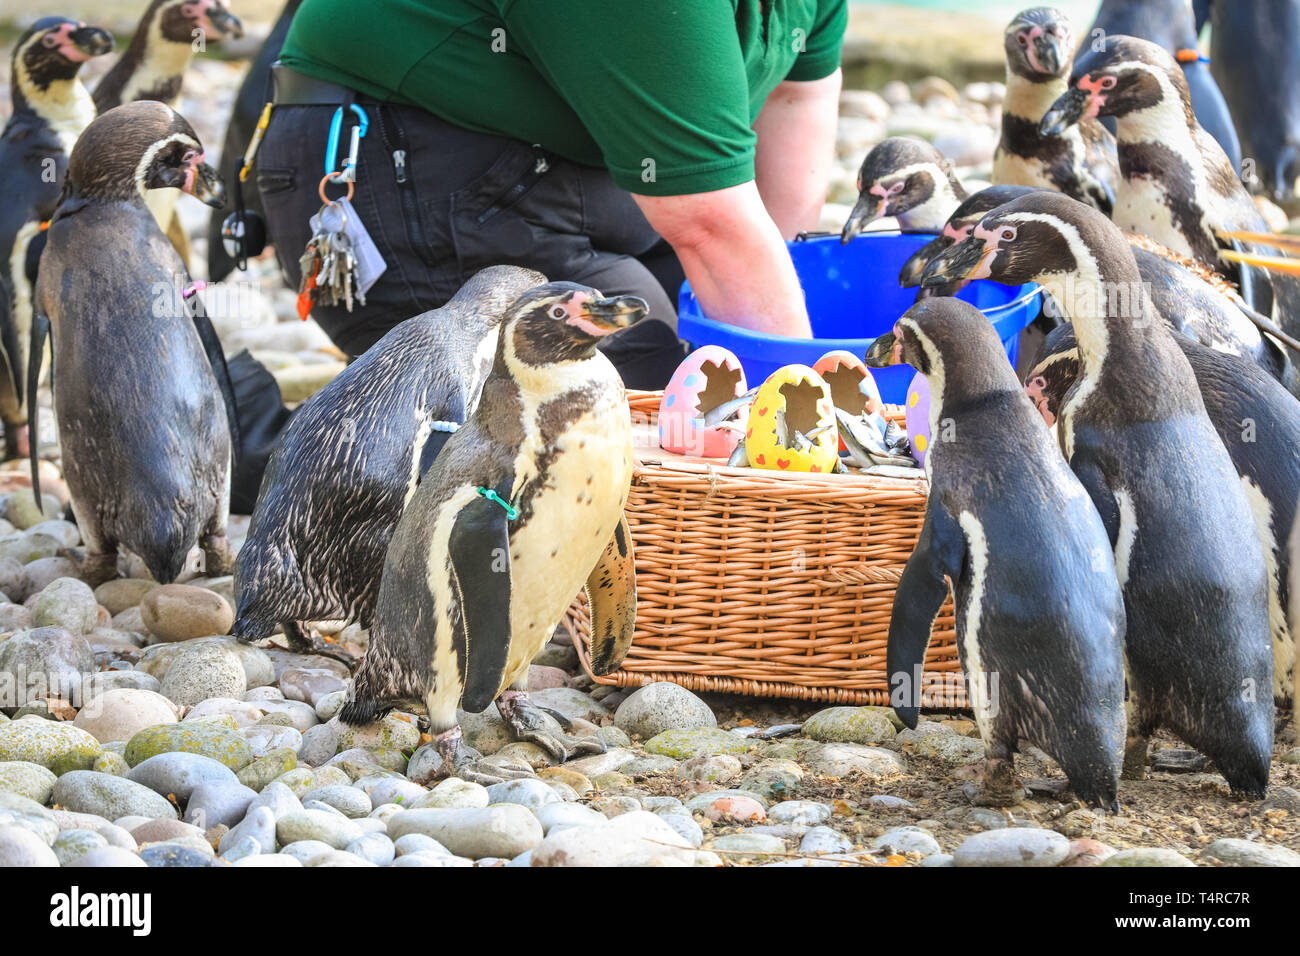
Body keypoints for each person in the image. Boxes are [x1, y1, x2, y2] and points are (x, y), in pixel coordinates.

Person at [253, 0, 847, 388]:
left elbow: (796, 97)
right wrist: (815, 420)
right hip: (405, 162)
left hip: (593, 174)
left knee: (722, 351)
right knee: (651, 387)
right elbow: (711, 223)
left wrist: (781, 299)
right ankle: (276, 452)